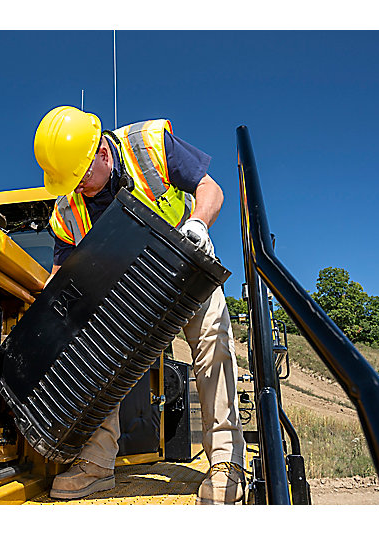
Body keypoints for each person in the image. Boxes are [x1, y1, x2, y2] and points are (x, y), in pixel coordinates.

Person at [33, 106, 246, 505]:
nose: (75, 187)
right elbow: (60, 271)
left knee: (213, 339)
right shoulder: (66, 208)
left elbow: (210, 190)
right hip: (127, 289)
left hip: (185, 265)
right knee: (91, 350)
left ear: (100, 152)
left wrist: (198, 224)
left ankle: (225, 461)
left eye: (80, 177)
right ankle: (95, 465)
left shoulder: (147, 146)